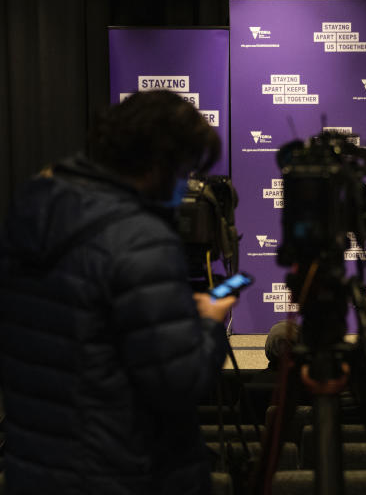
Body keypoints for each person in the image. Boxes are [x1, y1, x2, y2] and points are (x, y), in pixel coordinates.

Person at [0, 90, 236, 494]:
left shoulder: (30, 208)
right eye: (185, 169)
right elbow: (180, 382)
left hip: (33, 465)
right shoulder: (141, 240)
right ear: (160, 162)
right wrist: (210, 324)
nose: (188, 182)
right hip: (123, 473)